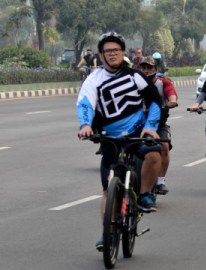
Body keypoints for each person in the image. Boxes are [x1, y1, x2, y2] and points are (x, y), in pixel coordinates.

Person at [76, 32, 163, 251]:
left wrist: (150, 127)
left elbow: (154, 100)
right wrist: (85, 125)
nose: (112, 54)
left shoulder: (135, 76)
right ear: (101, 55)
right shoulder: (94, 79)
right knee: (107, 190)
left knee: (154, 154)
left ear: (123, 53)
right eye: (108, 51)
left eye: (116, 50)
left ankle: (144, 195)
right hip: (110, 138)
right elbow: (86, 103)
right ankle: (107, 234)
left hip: (137, 134)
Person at [139, 56, 178, 195]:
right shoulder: (133, 84)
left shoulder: (163, 83)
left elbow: (172, 96)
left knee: (165, 147)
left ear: (155, 69)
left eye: (149, 67)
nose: (146, 70)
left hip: (158, 125)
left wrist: (170, 102)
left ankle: (160, 181)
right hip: (136, 126)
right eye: (143, 68)